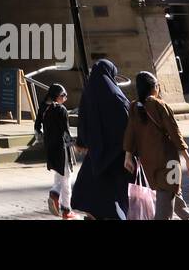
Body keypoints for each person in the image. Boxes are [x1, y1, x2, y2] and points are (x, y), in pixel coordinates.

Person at [123, 71, 189, 220]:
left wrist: (128, 156)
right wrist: (188, 160)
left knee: (172, 191)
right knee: (166, 195)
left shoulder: (133, 107)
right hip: (168, 159)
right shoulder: (159, 104)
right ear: (154, 87)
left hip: (148, 160)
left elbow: (130, 133)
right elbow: (175, 133)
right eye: (158, 85)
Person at [70, 59, 132, 219]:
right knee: (117, 192)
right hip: (117, 154)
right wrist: (130, 151)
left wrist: (82, 142)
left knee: (93, 189)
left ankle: (94, 215)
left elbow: (82, 120)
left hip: (97, 154)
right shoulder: (116, 96)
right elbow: (127, 124)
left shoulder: (87, 94)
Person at [34, 83, 76, 218]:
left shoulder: (43, 107)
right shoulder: (61, 110)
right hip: (61, 148)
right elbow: (66, 132)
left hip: (50, 147)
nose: (65, 97)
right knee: (67, 178)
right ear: (56, 96)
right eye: (63, 95)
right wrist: (76, 144)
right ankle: (66, 209)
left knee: (59, 174)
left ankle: (56, 195)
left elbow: (37, 125)